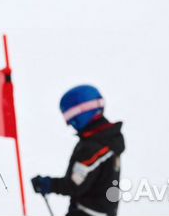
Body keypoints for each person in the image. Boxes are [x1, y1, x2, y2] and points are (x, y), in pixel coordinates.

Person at [31, 85, 125, 216]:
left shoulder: (93, 147)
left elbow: (74, 185)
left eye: (70, 117)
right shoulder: (108, 138)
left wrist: (48, 184)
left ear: (81, 113)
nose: (69, 124)